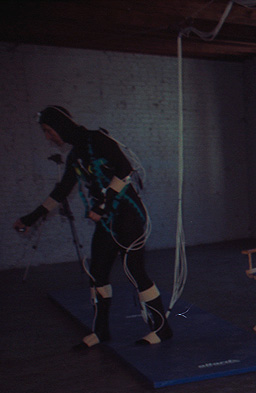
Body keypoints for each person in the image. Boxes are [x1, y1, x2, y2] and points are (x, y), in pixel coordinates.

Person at [13, 106, 172, 347]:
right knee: (97, 272)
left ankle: (161, 329)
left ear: (60, 126)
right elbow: (61, 191)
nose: (48, 137)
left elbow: (124, 169)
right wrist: (30, 218)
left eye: (48, 130)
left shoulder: (98, 139)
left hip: (128, 214)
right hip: (107, 220)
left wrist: (101, 206)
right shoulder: (75, 155)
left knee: (134, 271)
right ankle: (101, 331)